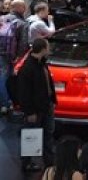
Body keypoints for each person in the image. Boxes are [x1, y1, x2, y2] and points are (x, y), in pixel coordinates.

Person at [18, 38, 56, 171]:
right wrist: (29, 112)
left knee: (48, 134)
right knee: (31, 136)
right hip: (35, 110)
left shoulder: (42, 63)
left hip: (47, 106)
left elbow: (48, 84)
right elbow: (24, 93)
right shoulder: (28, 68)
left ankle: (49, 161)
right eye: (48, 47)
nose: (49, 49)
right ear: (43, 49)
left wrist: (53, 101)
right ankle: (27, 163)